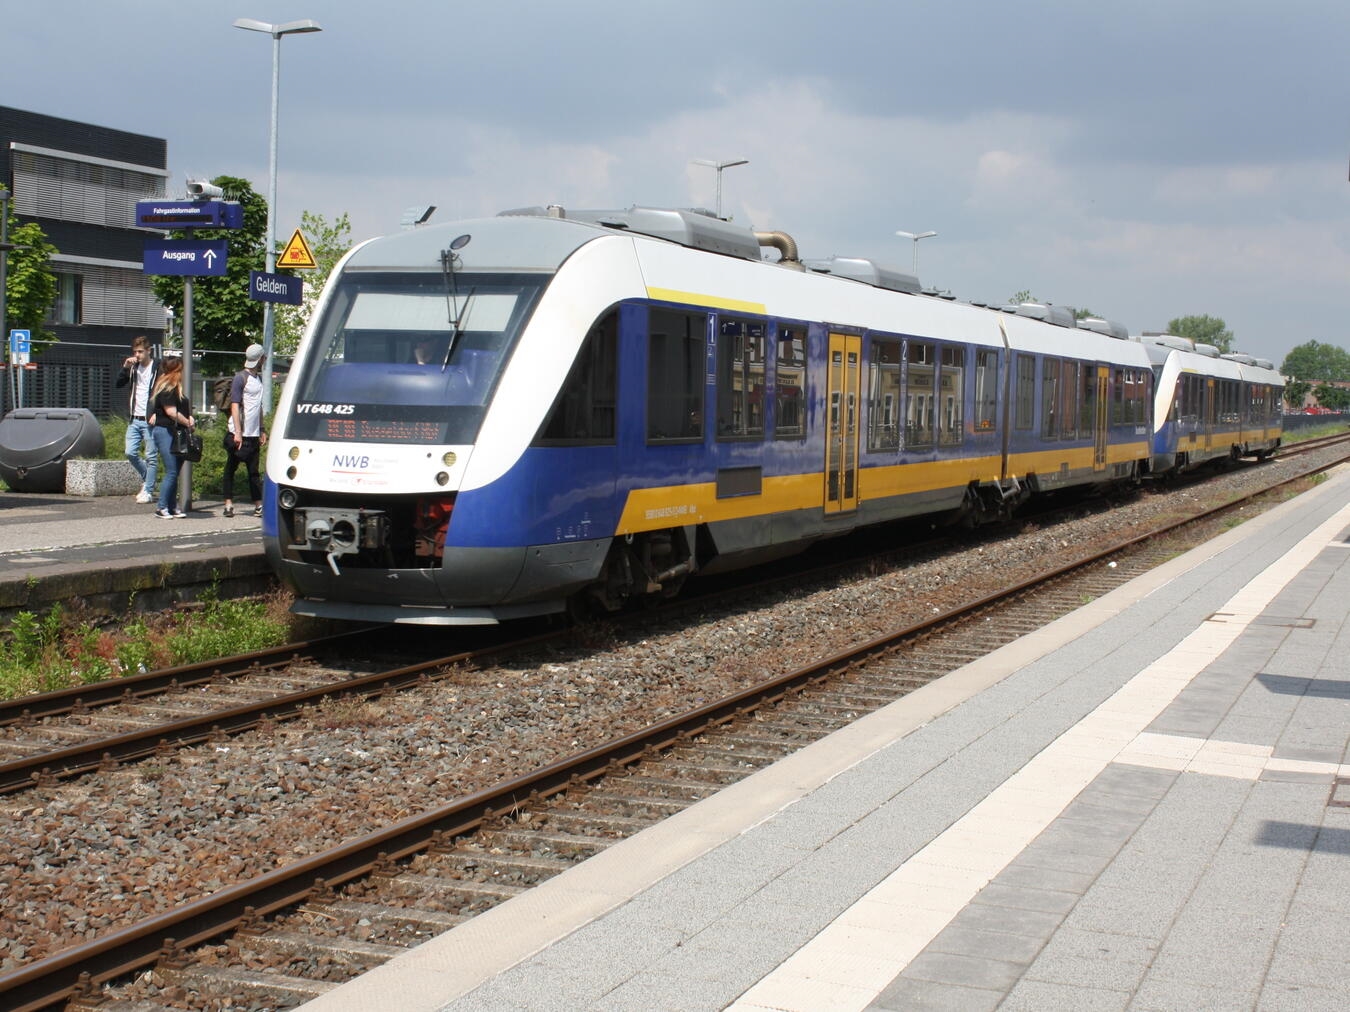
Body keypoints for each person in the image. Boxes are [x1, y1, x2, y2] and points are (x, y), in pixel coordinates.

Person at [222, 343, 267, 518]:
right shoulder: (241, 378)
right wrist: (238, 432)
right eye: (263, 357)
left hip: (253, 433)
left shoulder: (258, 379)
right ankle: (228, 504)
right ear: (260, 359)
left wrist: (262, 428)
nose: (265, 360)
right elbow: (235, 405)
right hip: (239, 432)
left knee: (253, 471)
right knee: (230, 469)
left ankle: (258, 505)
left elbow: (259, 407)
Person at [148, 353, 195, 519]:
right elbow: (170, 411)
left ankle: (172, 505)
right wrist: (188, 422)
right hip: (165, 430)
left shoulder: (176, 387)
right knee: (172, 470)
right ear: (177, 370)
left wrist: (189, 418)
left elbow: (181, 409)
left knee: (175, 470)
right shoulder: (167, 387)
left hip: (176, 432)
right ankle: (161, 507)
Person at [114, 336, 160, 503]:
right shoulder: (133, 368)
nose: (137, 355)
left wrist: (157, 412)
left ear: (149, 351)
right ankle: (149, 480)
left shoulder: (157, 367)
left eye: (140, 351)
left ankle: (147, 489)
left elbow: (162, 391)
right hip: (134, 418)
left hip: (150, 419)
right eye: (135, 352)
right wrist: (125, 368)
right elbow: (119, 383)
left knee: (151, 456)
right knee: (130, 452)